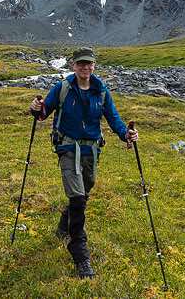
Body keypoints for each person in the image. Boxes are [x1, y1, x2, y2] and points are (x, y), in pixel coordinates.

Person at [29, 47, 138, 279]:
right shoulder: (63, 88)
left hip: (91, 151)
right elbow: (43, 112)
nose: (85, 68)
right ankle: (80, 254)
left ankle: (63, 225)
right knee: (78, 199)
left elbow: (114, 119)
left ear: (94, 66)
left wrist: (126, 134)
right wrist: (36, 108)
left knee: (83, 194)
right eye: (80, 64)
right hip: (68, 149)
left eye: (89, 64)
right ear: (73, 66)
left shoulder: (101, 91)